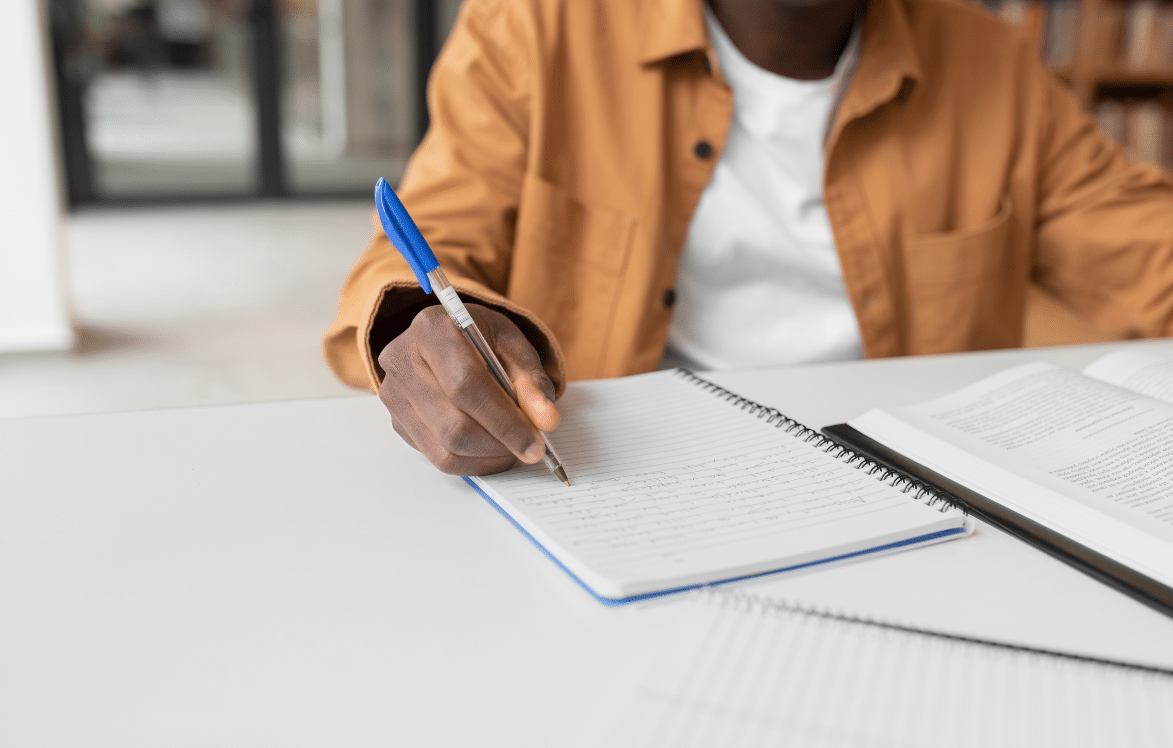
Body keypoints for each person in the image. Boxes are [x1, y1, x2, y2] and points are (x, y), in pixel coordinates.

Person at [323, 0, 1173, 477]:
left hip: (912, 484)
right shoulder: (534, 32)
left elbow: (1143, 242)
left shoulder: (992, 63)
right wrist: (422, 332)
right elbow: (408, 265)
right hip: (633, 478)